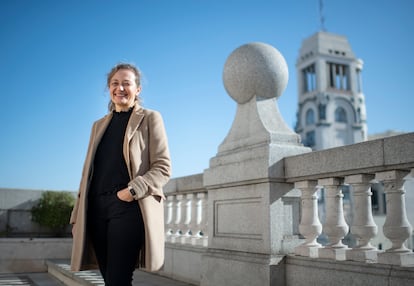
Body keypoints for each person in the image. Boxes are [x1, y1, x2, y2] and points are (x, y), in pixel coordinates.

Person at [69, 63, 171, 286]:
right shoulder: (98, 126)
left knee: (118, 279)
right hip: (95, 209)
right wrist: (77, 216)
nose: (120, 88)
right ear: (109, 88)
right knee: (109, 279)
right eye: (115, 83)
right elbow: (87, 173)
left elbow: (163, 167)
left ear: (138, 89)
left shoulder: (150, 118)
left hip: (128, 206)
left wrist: (132, 191)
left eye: (127, 83)